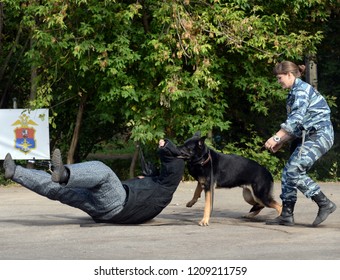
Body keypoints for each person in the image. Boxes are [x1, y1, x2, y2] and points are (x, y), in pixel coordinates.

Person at [2, 139, 185, 224]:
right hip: (103, 212)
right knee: (57, 189)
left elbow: (174, 167)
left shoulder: (166, 187)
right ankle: (15, 172)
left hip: (119, 206)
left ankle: (64, 173)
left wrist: (165, 146)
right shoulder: (154, 187)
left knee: (103, 172)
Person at [264, 60, 336, 227]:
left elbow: (295, 119)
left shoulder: (301, 91)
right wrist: (282, 141)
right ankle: (287, 215)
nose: (278, 81)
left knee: (293, 170)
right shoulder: (293, 93)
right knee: (288, 173)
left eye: (280, 77)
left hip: (319, 135)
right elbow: (297, 124)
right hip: (308, 134)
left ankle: (324, 203)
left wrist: (275, 138)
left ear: (290, 75)